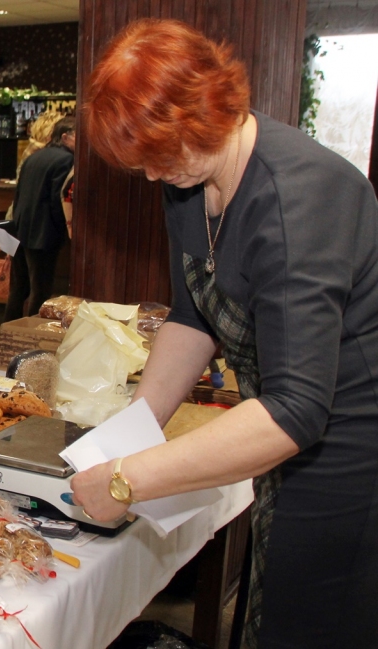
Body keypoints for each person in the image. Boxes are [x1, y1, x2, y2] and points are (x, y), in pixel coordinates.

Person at [72, 19, 378, 648]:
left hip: (350, 454)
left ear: (207, 110)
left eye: (160, 157)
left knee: (307, 619)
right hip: (286, 426)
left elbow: (296, 409)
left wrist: (130, 478)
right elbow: (193, 317)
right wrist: (130, 431)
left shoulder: (299, 198)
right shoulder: (191, 179)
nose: (154, 178)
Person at [4, 116, 75, 321]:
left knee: (18, 290)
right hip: (44, 233)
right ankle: (32, 336)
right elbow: (57, 199)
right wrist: (64, 227)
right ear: (65, 137)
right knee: (40, 291)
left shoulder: (33, 156)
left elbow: (18, 196)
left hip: (20, 230)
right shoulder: (66, 160)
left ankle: (9, 330)